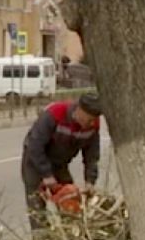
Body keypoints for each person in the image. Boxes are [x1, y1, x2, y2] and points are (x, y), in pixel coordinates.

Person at [22, 93, 103, 227]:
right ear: (79, 111)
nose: (90, 123)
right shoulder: (55, 114)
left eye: (93, 120)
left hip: (60, 163)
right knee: (37, 207)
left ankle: (70, 234)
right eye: (88, 120)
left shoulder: (93, 125)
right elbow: (35, 146)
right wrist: (46, 175)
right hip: (35, 162)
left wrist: (90, 181)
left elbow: (92, 155)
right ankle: (41, 238)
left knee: (70, 200)